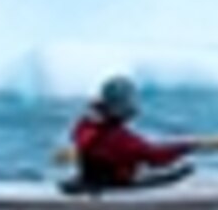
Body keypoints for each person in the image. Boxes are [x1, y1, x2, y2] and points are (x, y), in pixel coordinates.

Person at [66, 74, 195, 192]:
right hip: (112, 187)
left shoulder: (86, 125)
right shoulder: (118, 138)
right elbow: (153, 156)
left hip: (93, 181)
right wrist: (184, 148)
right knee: (184, 171)